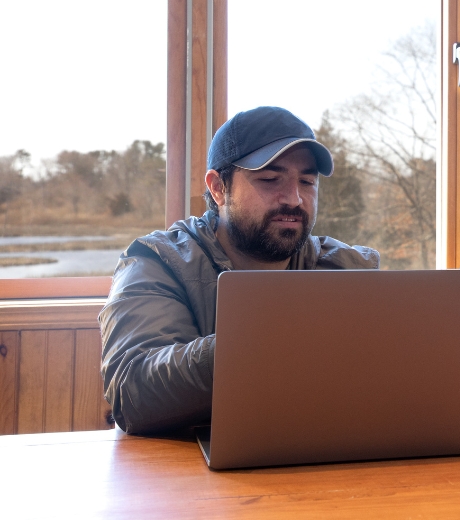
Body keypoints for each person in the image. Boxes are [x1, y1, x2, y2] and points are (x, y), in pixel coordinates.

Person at [99, 106, 379, 434]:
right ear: (218, 188)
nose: (294, 198)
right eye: (270, 179)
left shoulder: (342, 268)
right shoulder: (157, 262)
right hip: (189, 474)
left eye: (307, 181)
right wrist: (266, 343)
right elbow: (133, 392)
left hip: (322, 461)